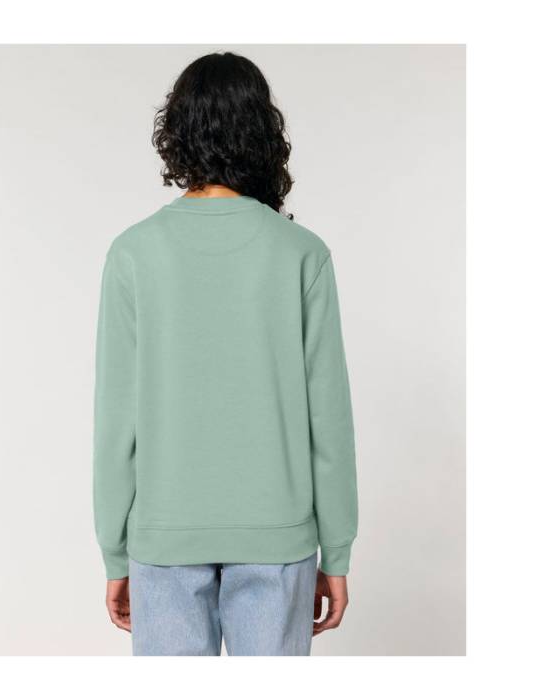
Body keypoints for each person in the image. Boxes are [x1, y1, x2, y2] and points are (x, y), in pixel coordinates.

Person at [93, 52, 358, 656]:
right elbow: (330, 423)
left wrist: (115, 552)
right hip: (278, 538)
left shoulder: (133, 253)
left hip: (164, 538)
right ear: (263, 134)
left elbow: (115, 423)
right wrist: (337, 551)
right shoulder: (300, 253)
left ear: (177, 134)